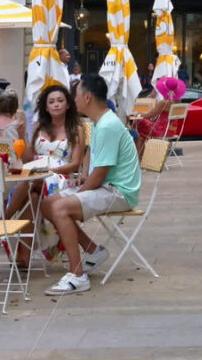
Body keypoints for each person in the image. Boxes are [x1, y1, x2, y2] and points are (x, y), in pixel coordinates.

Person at [41, 73, 141, 295]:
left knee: (60, 207)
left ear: (87, 97)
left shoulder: (106, 126)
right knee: (47, 204)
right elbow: (92, 158)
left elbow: (101, 174)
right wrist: (83, 177)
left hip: (119, 192)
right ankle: (92, 250)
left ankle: (77, 276)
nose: (72, 99)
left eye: (75, 95)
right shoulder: (99, 122)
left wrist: (77, 193)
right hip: (106, 185)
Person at [4, 84, 85, 265]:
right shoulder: (39, 126)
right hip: (35, 172)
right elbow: (27, 158)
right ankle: (23, 254)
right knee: (32, 195)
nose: (56, 104)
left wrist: (51, 170)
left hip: (59, 176)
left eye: (60, 101)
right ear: (46, 107)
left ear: (68, 105)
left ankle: (4, 218)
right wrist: (22, 137)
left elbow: (75, 164)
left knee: (30, 183)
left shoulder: (76, 129)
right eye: (51, 102)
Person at [132, 76, 185, 157]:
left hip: (161, 130)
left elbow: (149, 115)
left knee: (139, 123)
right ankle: (141, 157)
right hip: (172, 130)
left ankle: (138, 158)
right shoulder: (178, 102)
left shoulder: (164, 103)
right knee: (142, 134)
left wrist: (138, 114)